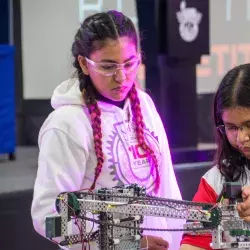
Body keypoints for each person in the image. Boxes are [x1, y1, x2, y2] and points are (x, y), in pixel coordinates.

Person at [31, 10, 184, 250]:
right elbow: (47, 218)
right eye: (108, 66)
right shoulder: (65, 124)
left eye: (130, 63)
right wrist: (126, 240)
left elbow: (168, 188)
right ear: (84, 63)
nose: (121, 77)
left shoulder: (143, 104)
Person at [180, 63, 250, 250]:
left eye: (249, 125)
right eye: (232, 128)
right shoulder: (215, 180)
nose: (242, 138)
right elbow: (191, 245)